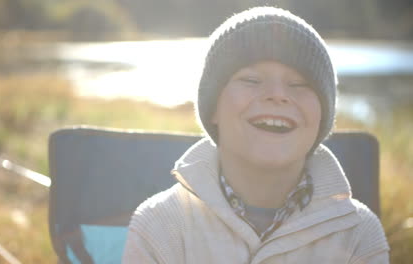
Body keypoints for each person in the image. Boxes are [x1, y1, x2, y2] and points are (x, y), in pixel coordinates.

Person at [122, 6, 389, 263]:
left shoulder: (359, 234)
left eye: (299, 84)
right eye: (251, 80)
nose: (278, 94)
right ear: (213, 107)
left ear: (321, 119)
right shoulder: (160, 224)